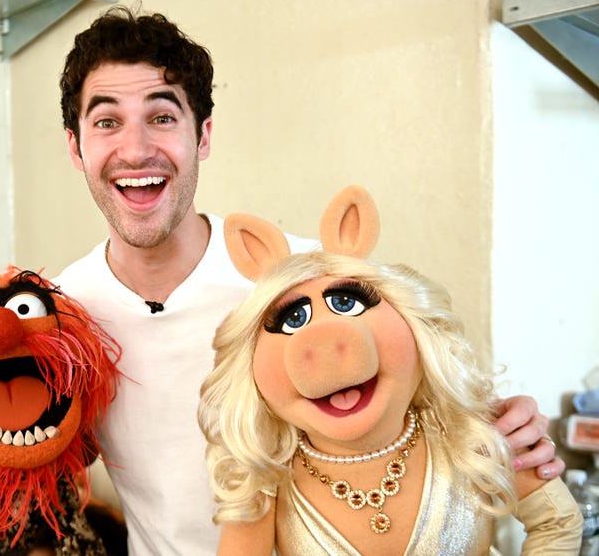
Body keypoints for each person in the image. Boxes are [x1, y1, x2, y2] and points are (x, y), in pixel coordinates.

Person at [0, 6, 564, 556]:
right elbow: (28, 446)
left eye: (162, 115)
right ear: (76, 147)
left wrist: (506, 424)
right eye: (106, 122)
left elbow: (423, 396)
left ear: (202, 135)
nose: (136, 149)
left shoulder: (303, 283)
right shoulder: (65, 323)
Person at [198, 186, 581, 554]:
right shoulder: (265, 480)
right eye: (292, 319)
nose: (326, 343)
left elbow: (557, 522)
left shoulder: (468, 433)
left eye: (348, 303)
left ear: (414, 322)